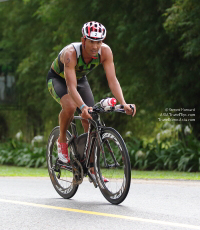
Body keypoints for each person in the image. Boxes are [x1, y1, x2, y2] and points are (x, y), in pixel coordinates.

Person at [47, 21, 136, 166]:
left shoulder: (105, 52)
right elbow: (70, 87)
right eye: (91, 42)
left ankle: (92, 165)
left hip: (80, 80)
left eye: (99, 42)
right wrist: (81, 107)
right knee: (70, 107)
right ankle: (62, 140)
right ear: (83, 40)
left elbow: (112, 80)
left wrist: (123, 103)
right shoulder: (71, 53)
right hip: (59, 79)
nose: (95, 46)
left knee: (91, 117)